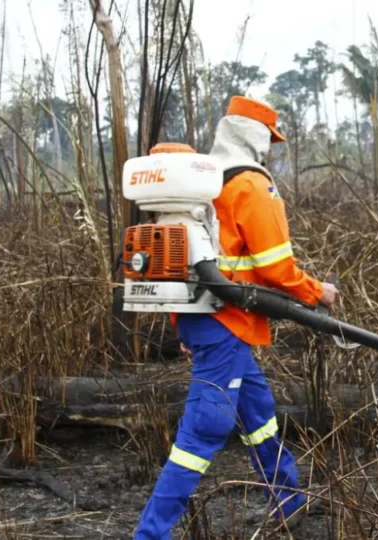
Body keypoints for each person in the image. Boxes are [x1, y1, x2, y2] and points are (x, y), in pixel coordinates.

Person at [134, 96, 338, 539]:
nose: (271, 148)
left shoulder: (201, 185)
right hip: (228, 322)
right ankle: (151, 534)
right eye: (270, 139)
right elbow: (275, 267)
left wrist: (182, 324)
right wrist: (317, 291)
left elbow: (182, 262)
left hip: (205, 319)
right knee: (204, 431)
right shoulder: (250, 184)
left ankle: (287, 500)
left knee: (258, 411)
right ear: (256, 136)